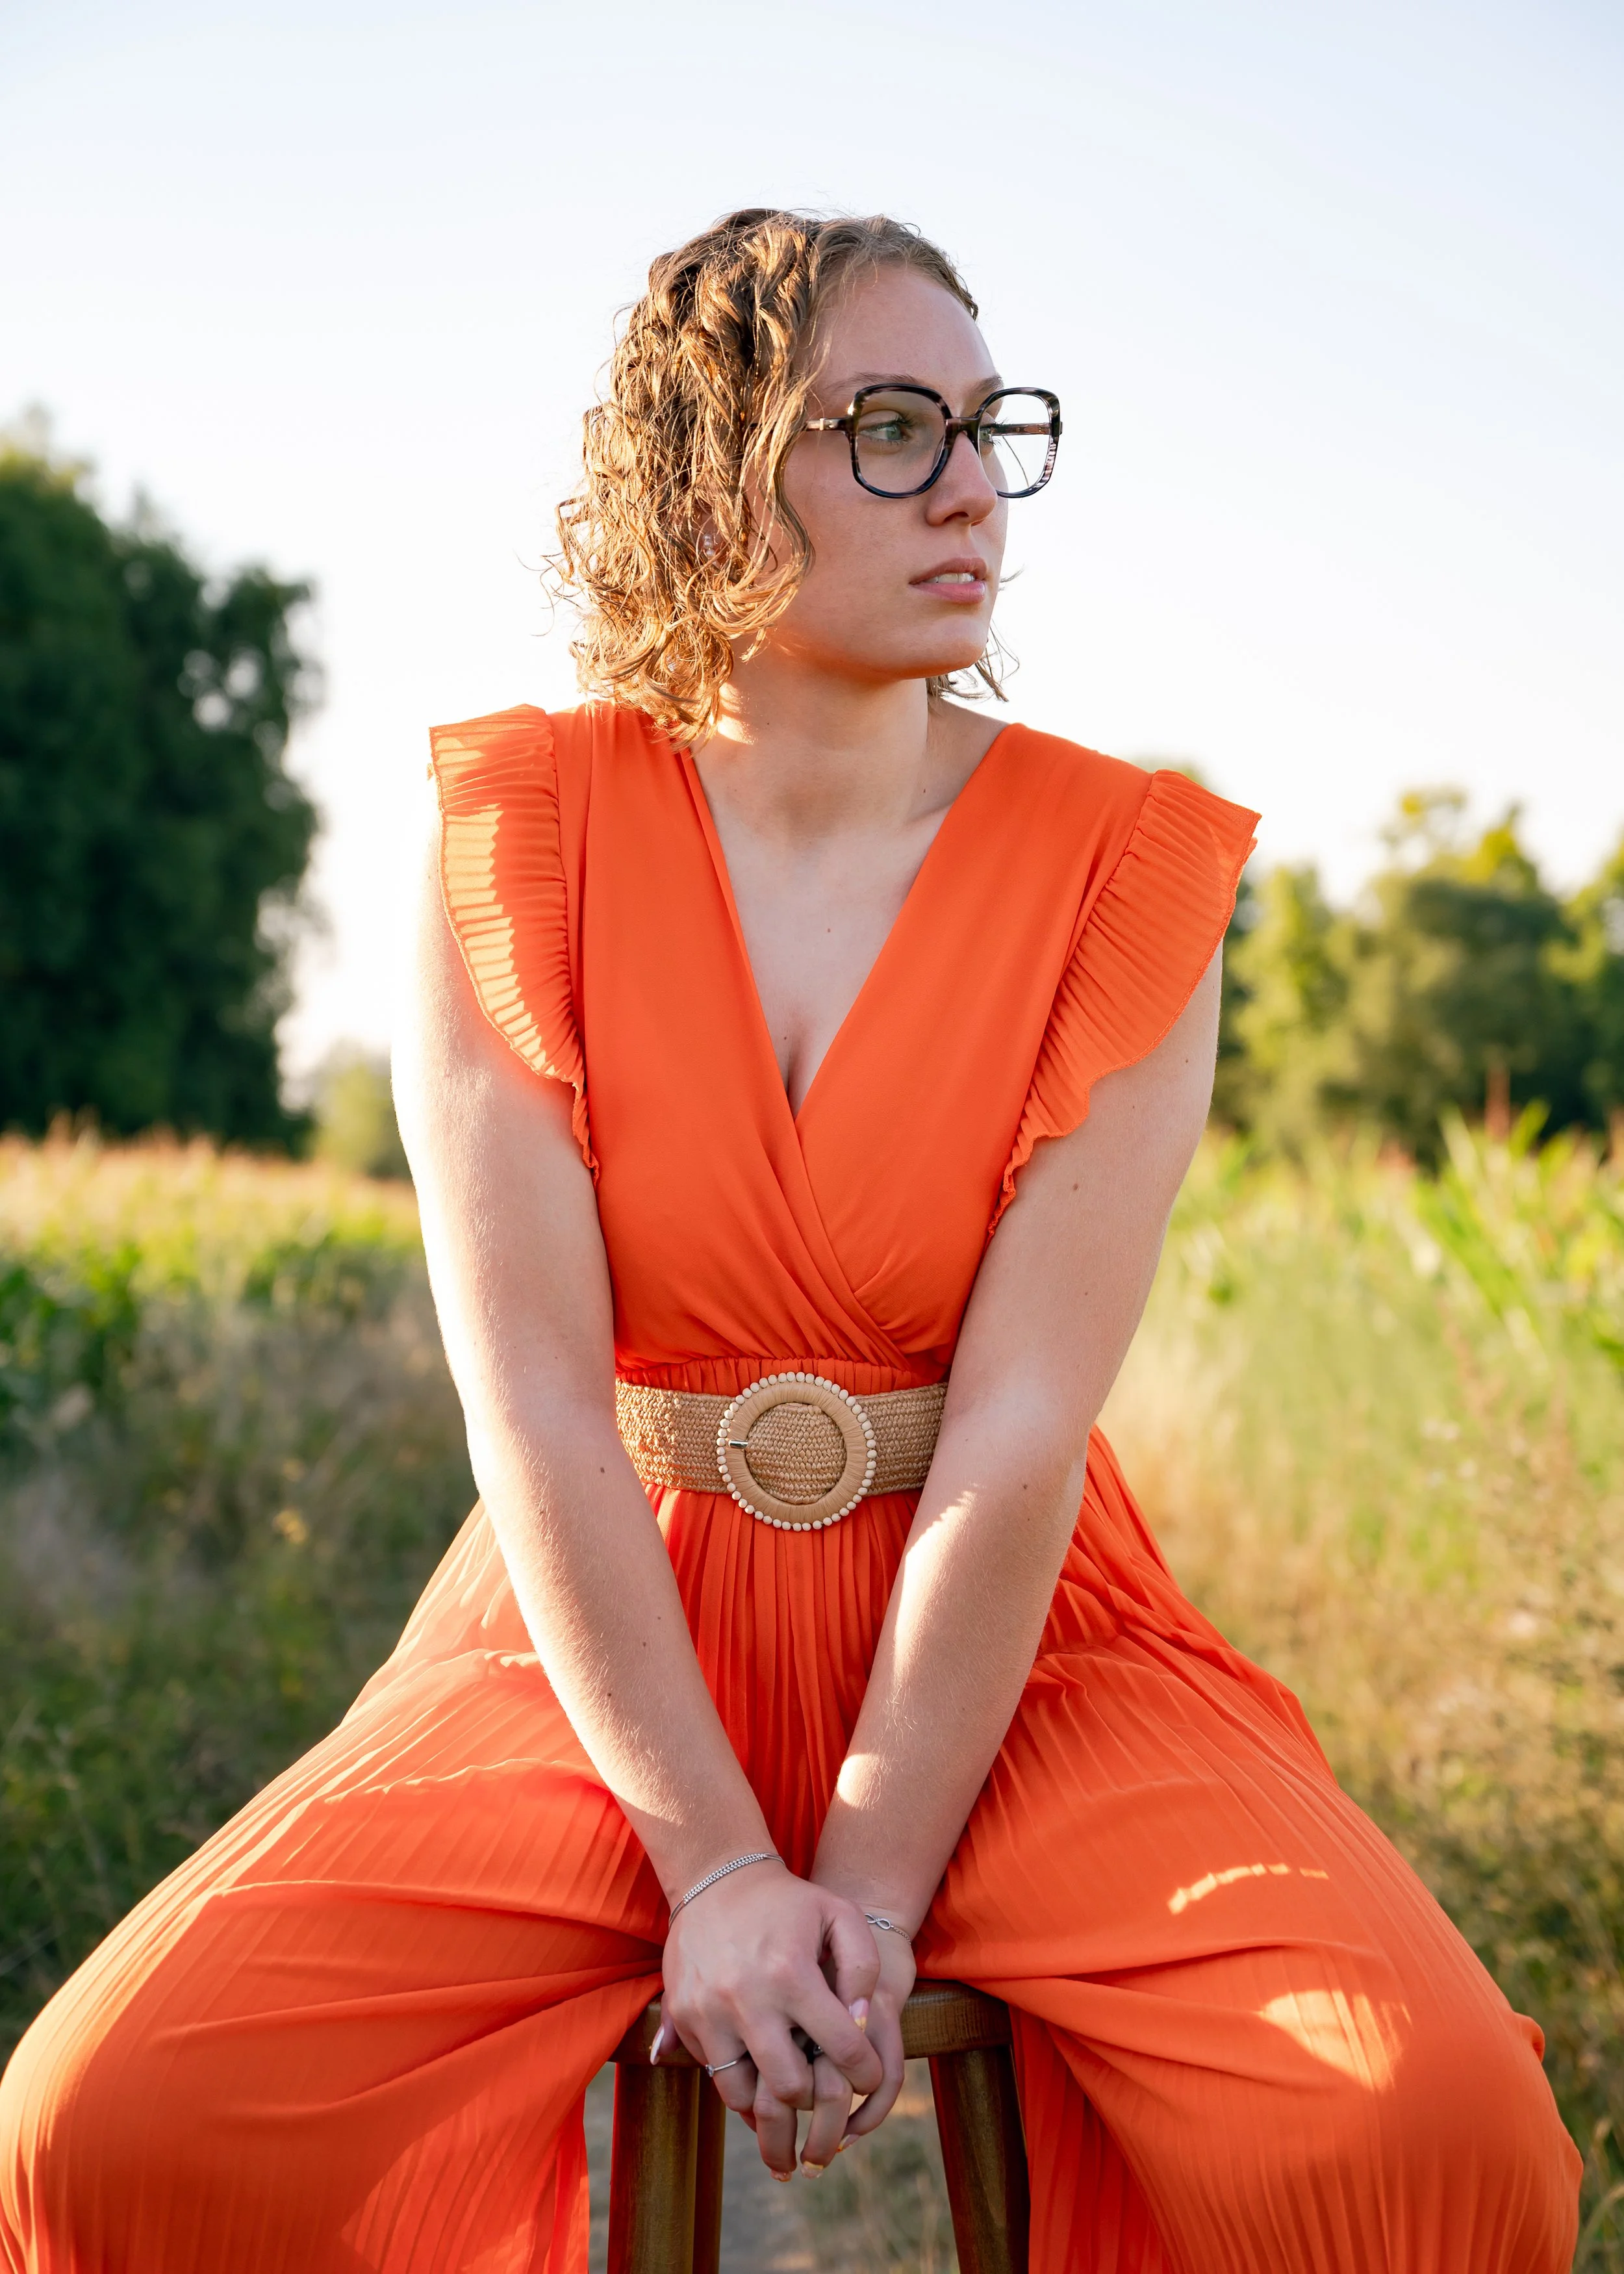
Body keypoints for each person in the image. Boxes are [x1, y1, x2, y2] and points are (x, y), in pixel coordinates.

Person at [0, 208, 1579, 2274]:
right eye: (897, 428)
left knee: (1429, 2118)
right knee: (105, 2114)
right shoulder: (521, 837)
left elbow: (1016, 1429)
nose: (975, 488)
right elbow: (540, 1402)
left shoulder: (1128, 872)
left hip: (1022, 1650)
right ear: (707, 459)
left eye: (994, 426)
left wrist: (858, 1879)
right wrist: (717, 1865)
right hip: (603, 1635)